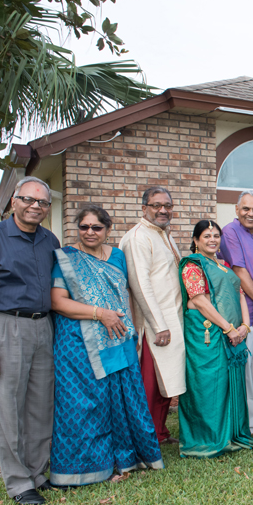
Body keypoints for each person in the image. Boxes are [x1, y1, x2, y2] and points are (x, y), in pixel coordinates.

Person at [50, 206, 163, 485]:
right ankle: (83, 467)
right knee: (85, 404)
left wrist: (133, 332)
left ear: (107, 230)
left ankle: (126, 457)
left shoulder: (117, 256)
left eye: (96, 227)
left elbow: (124, 296)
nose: (90, 232)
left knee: (124, 401)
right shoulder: (67, 258)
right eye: (84, 227)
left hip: (118, 339)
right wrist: (100, 314)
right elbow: (57, 301)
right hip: (77, 342)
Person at [0, 177, 60, 505]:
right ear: (13, 203)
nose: (35, 206)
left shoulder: (50, 240)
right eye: (28, 200)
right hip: (6, 327)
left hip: (42, 327)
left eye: (42, 202)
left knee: (40, 406)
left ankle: (37, 474)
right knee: (7, 408)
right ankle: (19, 483)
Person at [177, 221, 253, 458]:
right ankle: (207, 438)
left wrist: (245, 326)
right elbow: (200, 301)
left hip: (232, 331)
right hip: (207, 333)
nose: (213, 239)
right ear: (196, 240)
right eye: (206, 236)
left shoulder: (222, 265)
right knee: (208, 383)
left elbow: (240, 294)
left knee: (228, 381)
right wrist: (228, 328)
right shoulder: (193, 265)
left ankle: (232, 433)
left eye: (216, 235)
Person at [120, 187, 186, 445]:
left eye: (167, 205)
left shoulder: (164, 235)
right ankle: (143, 438)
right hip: (154, 324)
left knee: (165, 383)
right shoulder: (137, 237)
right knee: (150, 383)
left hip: (173, 319)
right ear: (144, 208)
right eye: (156, 205)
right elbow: (139, 284)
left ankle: (159, 433)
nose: (163, 210)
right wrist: (158, 325)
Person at [219, 190, 253, 434]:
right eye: (246, 209)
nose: (251, 214)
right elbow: (239, 270)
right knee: (245, 369)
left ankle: (251, 421)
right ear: (236, 209)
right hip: (246, 311)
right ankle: (243, 423)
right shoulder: (229, 232)